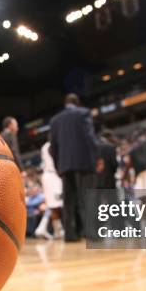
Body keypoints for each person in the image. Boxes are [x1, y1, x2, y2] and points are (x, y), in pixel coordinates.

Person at [49, 93, 98, 242]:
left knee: (68, 201)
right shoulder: (83, 113)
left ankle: (70, 234)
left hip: (64, 165)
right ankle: (91, 233)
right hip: (84, 162)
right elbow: (89, 137)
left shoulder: (55, 120)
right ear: (78, 103)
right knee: (86, 197)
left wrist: (58, 165)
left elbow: (53, 147)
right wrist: (97, 156)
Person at [36, 141, 64, 240]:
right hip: (52, 176)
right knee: (56, 205)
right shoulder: (51, 145)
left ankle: (52, 230)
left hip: (48, 175)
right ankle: (53, 230)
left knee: (53, 205)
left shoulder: (45, 146)